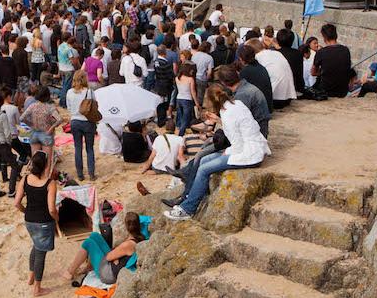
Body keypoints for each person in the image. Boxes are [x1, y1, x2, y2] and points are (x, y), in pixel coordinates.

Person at [164, 84, 271, 220]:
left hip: (249, 154)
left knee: (204, 169)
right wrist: (219, 120)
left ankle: (188, 209)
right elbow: (240, 127)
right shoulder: (236, 104)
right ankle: (187, 201)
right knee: (203, 160)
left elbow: (237, 146)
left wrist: (227, 151)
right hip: (255, 147)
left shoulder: (228, 115)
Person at [14, 151, 57, 297]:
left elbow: (17, 202)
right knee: (40, 253)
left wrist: (25, 211)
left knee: (36, 245)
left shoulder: (25, 179)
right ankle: (37, 288)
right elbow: (51, 209)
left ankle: (31, 276)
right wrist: (57, 218)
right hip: (44, 221)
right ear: (46, 166)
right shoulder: (50, 183)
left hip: (29, 220)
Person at [61, 212, 146, 285]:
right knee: (95, 235)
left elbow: (109, 257)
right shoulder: (141, 237)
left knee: (88, 243)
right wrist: (115, 256)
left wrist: (115, 257)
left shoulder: (128, 244)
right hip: (114, 264)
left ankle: (70, 272)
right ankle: (89, 267)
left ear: (126, 227)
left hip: (108, 274)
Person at [0, 92, 21, 197]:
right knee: (14, 166)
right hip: (3, 143)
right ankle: (11, 190)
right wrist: (9, 142)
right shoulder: (2, 116)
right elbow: (7, 132)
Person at [65, 71, 96, 181]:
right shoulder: (89, 92)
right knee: (89, 148)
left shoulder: (69, 92)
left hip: (75, 121)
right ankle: (91, 173)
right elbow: (95, 105)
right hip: (87, 121)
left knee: (78, 148)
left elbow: (68, 108)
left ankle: (80, 174)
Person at [310, 24, 352, 98]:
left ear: (324, 37)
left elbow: (313, 72)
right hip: (343, 90)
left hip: (326, 90)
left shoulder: (321, 52)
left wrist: (323, 71)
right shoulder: (346, 50)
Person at [20, 86, 61, 158]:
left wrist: (30, 124)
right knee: (47, 161)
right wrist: (51, 128)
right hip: (46, 134)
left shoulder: (32, 106)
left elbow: (22, 118)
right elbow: (59, 119)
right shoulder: (50, 107)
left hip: (34, 133)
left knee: (35, 161)